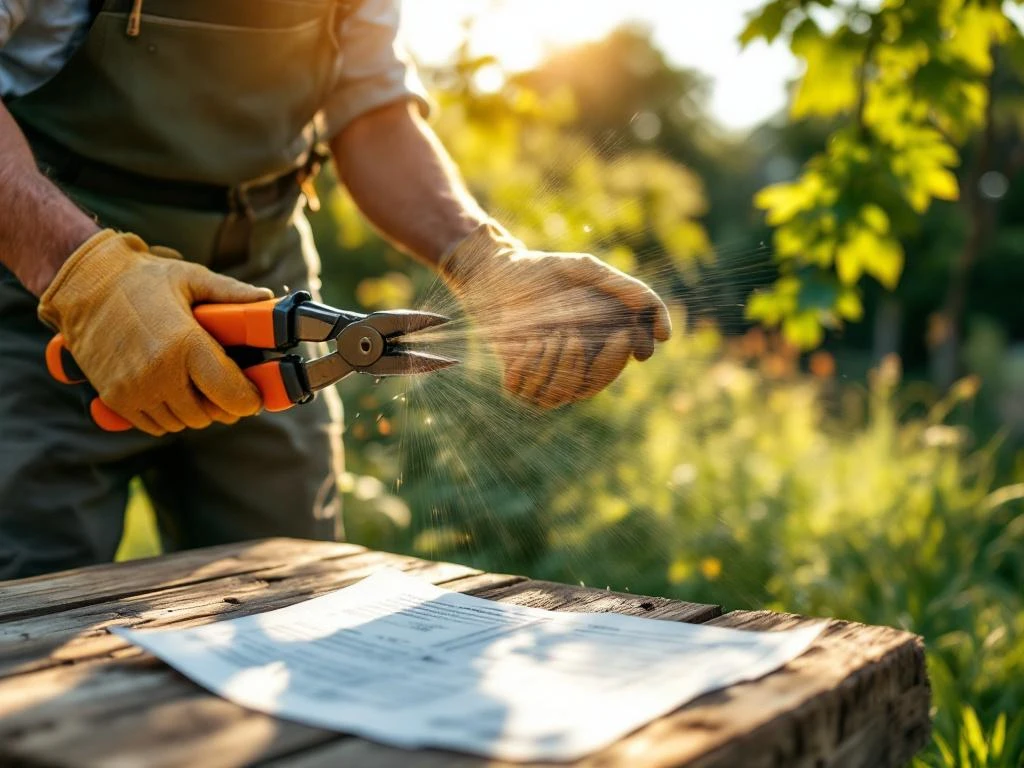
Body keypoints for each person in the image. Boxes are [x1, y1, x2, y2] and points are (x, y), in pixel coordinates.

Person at [0, 0, 671, 579]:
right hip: (49, 293)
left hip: (266, 296)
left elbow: (371, 114)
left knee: (287, 591)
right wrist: (82, 275)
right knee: (29, 606)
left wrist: (486, 259)